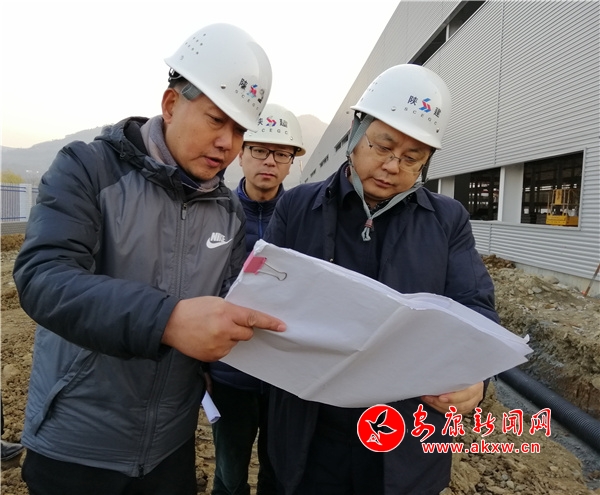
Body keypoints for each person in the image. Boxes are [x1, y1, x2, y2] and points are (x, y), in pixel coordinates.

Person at [12, 23, 286, 495]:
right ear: (171, 104)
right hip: (77, 445)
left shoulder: (226, 210)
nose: (228, 143)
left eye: (240, 129)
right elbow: (43, 278)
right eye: (216, 120)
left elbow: (226, 301)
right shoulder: (88, 169)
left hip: (169, 448)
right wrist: (168, 320)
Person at [262, 64, 499, 495]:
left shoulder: (447, 221)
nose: (392, 166)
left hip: (403, 435)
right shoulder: (297, 208)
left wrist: (476, 379)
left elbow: (475, 307)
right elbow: (263, 297)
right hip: (310, 429)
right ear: (355, 132)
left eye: (412, 158)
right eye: (383, 146)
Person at [209, 104, 305, 495]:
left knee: (279, 473)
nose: (270, 161)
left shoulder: (305, 218)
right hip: (229, 372)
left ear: (291, 162)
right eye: (260, 150)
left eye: (281, 154)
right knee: (229, 473)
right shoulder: (214, 212)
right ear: (241, 154)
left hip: (285, 376)